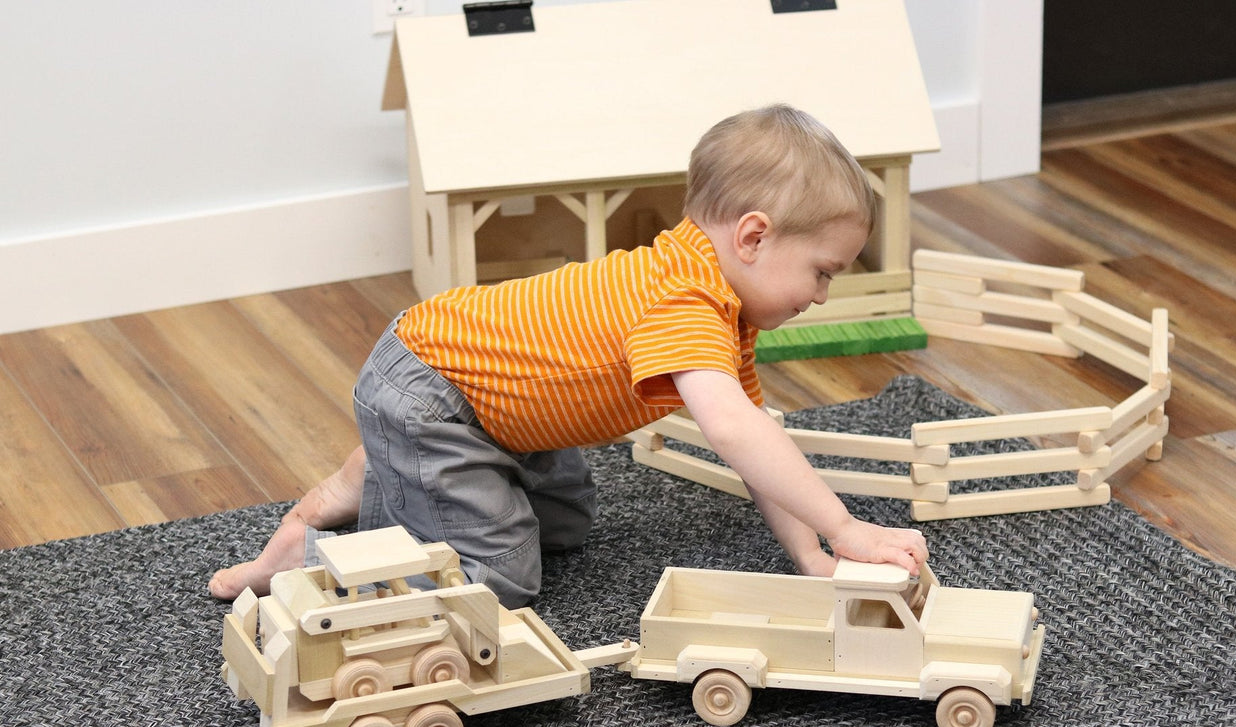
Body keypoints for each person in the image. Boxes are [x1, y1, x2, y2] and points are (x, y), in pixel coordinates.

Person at [209, 104, 928, 607]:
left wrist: (809, 555)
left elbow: (753, 445)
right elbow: (736, 431)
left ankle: (372, 475)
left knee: (563, 526)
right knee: (499, 576)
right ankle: (306, 561)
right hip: (433, 393)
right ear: (751, 237)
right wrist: (845, 527)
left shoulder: (719, 307)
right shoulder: (682, 299)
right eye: (823, 271)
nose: (826, 295)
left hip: (497, 406)